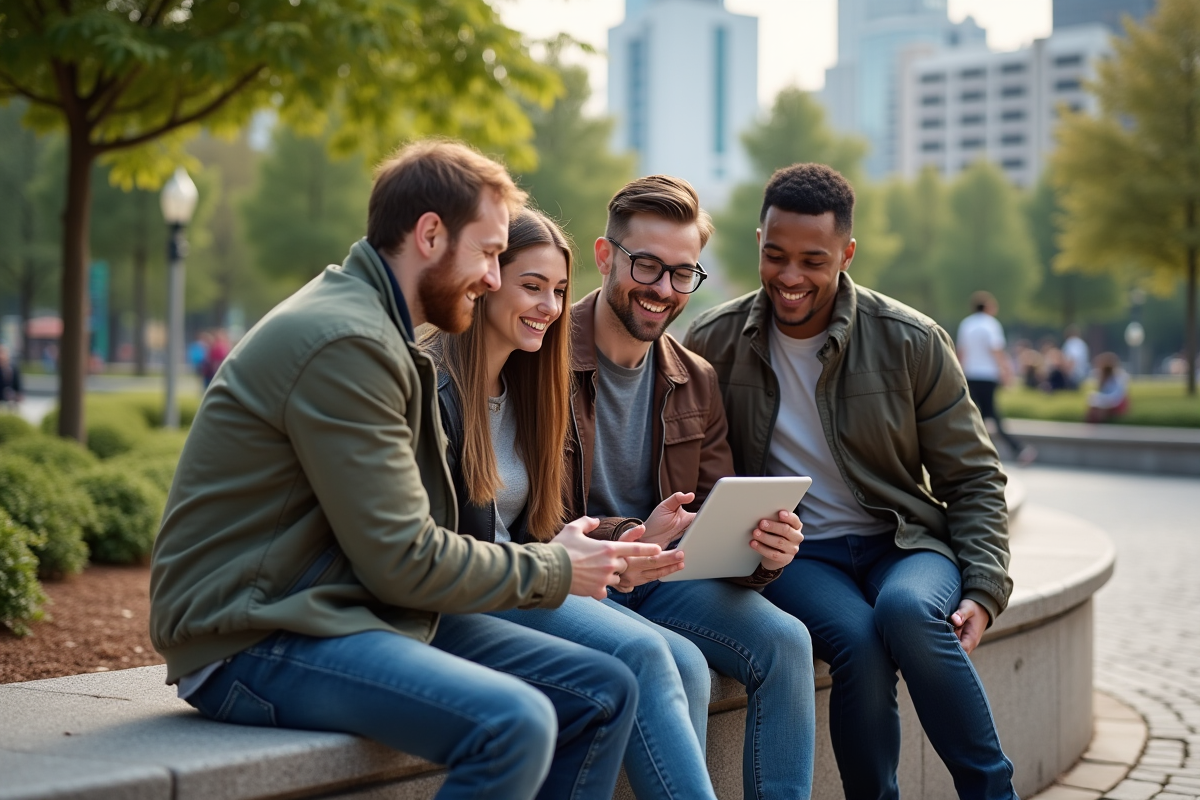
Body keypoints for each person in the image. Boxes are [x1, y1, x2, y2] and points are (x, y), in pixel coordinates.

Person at [149, 140, 662, 800]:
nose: (490, 276)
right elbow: (403, 558)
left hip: (342, 606)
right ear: (429, 235)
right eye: (486, 253)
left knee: (607, 687)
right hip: (252, 636)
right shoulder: (348, 343)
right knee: (515, 722)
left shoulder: (377, 330)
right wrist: (557, 569)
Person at [685, 163, 1018, 800]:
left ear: (847, 253)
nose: (791, 277)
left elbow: (972, 477)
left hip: (904, 542)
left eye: (814, 260)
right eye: (775, 254)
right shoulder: (714, 341)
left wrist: (983, 586)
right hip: (800, 554)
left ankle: (993, 792)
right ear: (758, 241)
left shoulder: (910, 340)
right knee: (858, 642)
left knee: (905, 611)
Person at [428, 207, 719, 799]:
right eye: (531, 287)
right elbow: (437, 549)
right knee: (641, 652)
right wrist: (562, 563)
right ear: (485, 282)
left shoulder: (531, 383)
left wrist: (623, 543)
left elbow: (544, 526)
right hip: (472, 591)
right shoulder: (434, 386)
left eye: (559, 290)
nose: (551, 307)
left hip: (524, 575)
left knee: (684, 661)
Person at [569, 175, 818, 800]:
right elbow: (531, 511)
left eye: (683, 273)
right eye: (647, 266)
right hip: (583, 575)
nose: (664, 290)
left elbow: (707, 516)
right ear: (605, 257)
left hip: (664, 577)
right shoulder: (542, 355)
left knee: (788, 641)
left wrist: (760, 551)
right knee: (678, 661)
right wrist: (631, 536)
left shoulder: (694, 378)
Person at [955, 291, 1036, 464]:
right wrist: (1007, 372)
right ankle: (1016, 449)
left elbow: (960, 352)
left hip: (970, 375)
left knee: (979, 414)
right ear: (987, 307)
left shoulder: (966, 324)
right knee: (990, 414)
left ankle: (975, 452)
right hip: (987, 376)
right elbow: (997, 351)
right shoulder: (991, 325)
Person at [1086, 352, 1130, 423]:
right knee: (1094, 408)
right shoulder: (1103, 377)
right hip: (1109, 401)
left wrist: (1103, 400)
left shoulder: (1119, 377)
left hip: (1117, 403)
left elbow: (1116, 396)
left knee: (1100, 409)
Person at [1061, 325, 1090, 390]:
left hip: (1074, 374)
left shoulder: (1072, 343)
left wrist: (1065, 373)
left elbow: (1072, 359)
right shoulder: (1082, 343)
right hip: (1082, 374)